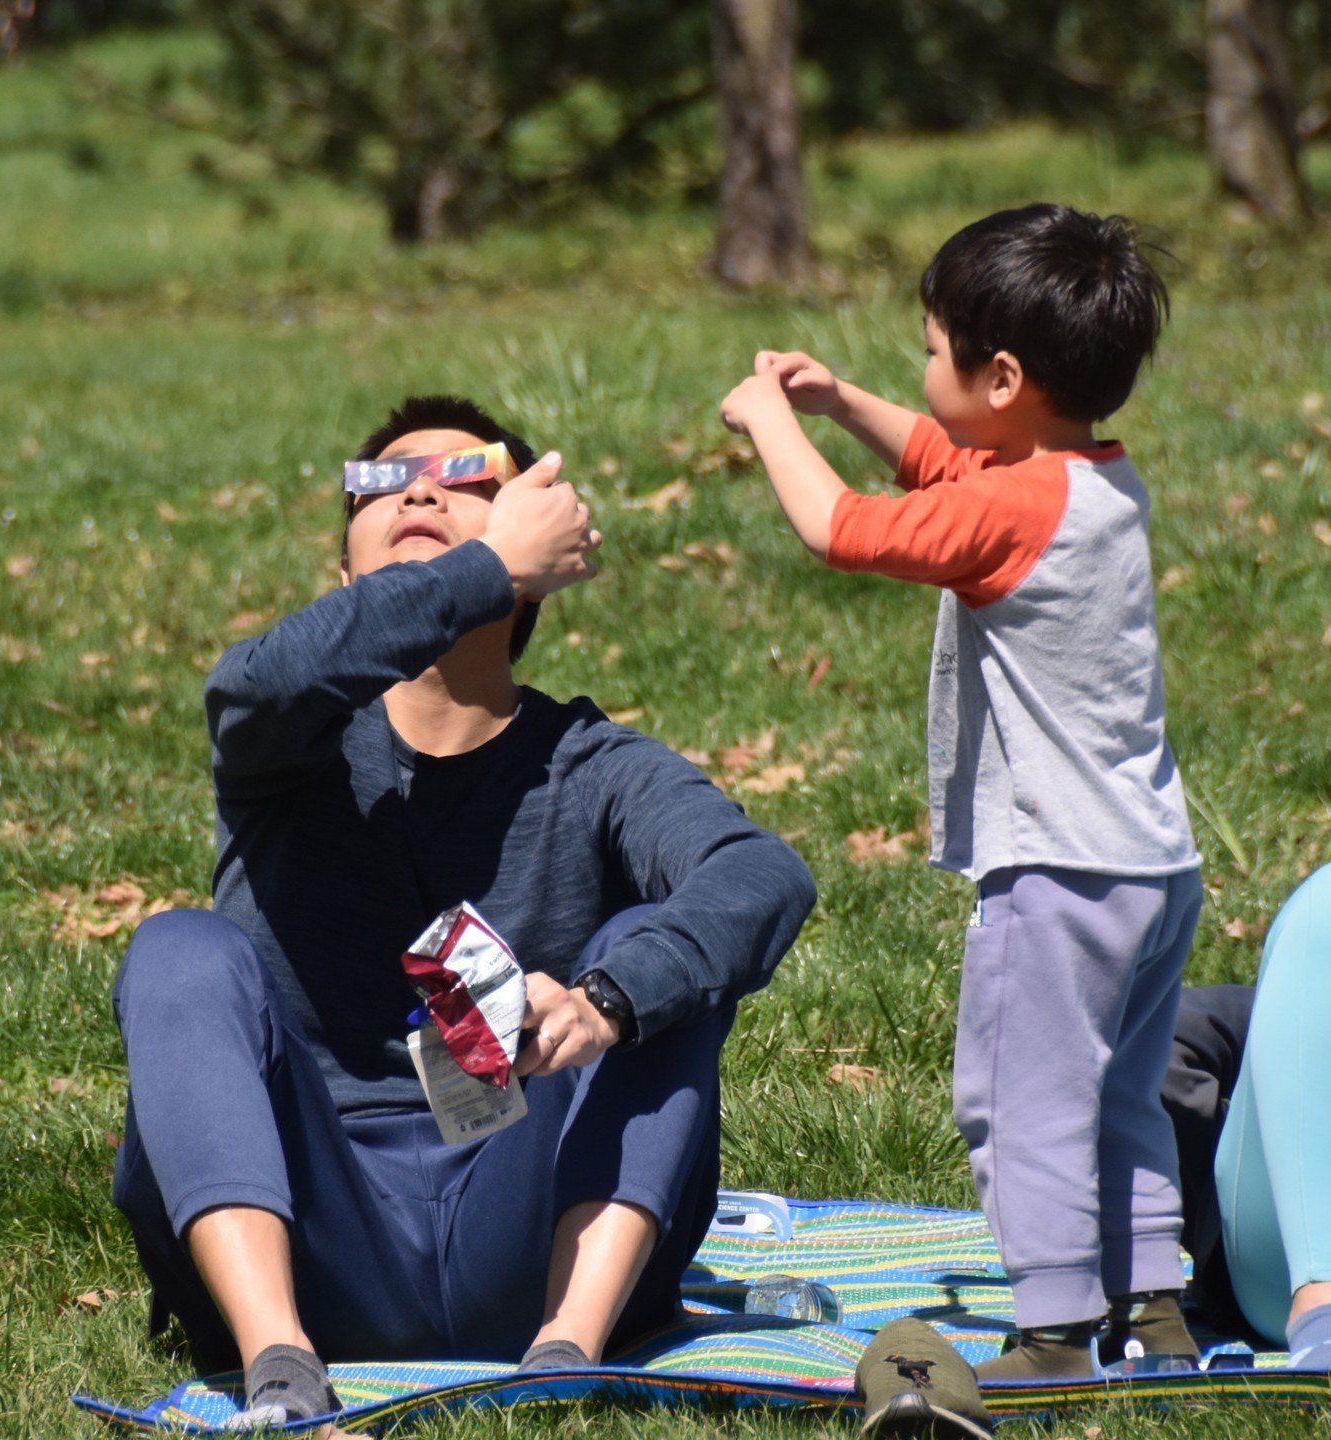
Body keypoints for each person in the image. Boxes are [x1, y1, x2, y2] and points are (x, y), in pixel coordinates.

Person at [110, 395, 817, 1433]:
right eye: (383, 484)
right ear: (347, 580)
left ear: (537, 552)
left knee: (655, 958)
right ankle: (279, 1363)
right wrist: (478, 569)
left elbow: (762, 875)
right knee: (178, 950)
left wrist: (606, 1003)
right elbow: (259, 687)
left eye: (466, 476)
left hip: (525, 1231)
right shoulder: (284, 745)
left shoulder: (590, 766)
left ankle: (566, 1355)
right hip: (311, 1235)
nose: (421, 490)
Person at [719, 204, 1202, 1380]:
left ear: (1001, 376)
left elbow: (840, 526)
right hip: (1154, 864)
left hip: (1056, 877)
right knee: (1124, 1099)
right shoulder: (1085, 475)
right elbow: (948, 458)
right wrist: (842, 403)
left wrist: (771, 420)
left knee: (1022, 1101)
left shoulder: (1006, 507)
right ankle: (1156, 1313)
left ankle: (1049, 1334)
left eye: (928, 353)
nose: (917, 371)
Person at [1165, 859, 1331, 1371]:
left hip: (1274, 1272)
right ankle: (1326, 1300)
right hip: (1280, 1273)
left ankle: (1327, 1302)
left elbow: (1153, 1055)